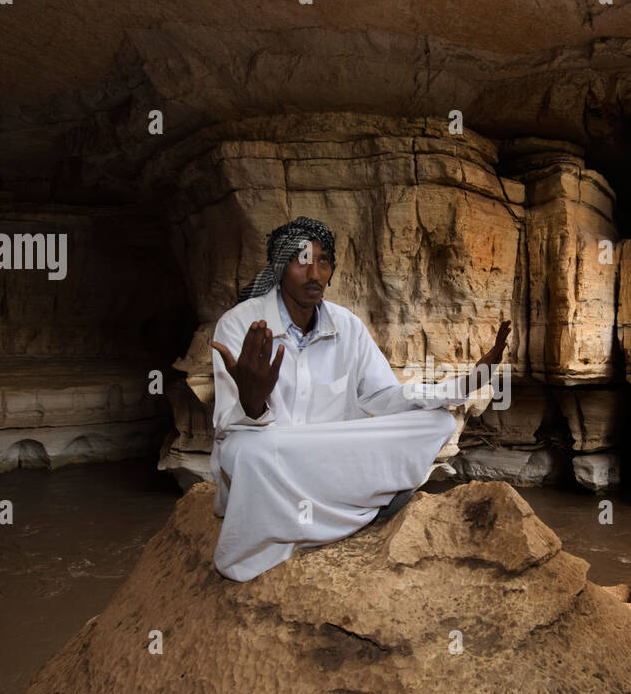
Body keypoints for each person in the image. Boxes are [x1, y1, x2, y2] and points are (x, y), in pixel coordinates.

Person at [208, 216, 511, 582]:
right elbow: (227, 423)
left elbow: (384, 397)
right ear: (278, 266)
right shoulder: (239, 324)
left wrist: (465, 384)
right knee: (247, 451)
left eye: (324, 261)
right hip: (274, 451)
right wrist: (253, 403)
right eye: (302, 260)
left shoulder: (347, 326)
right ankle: (360, 503)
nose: (315, 273)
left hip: (326, 453)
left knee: (436, 421)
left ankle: (326, 503)